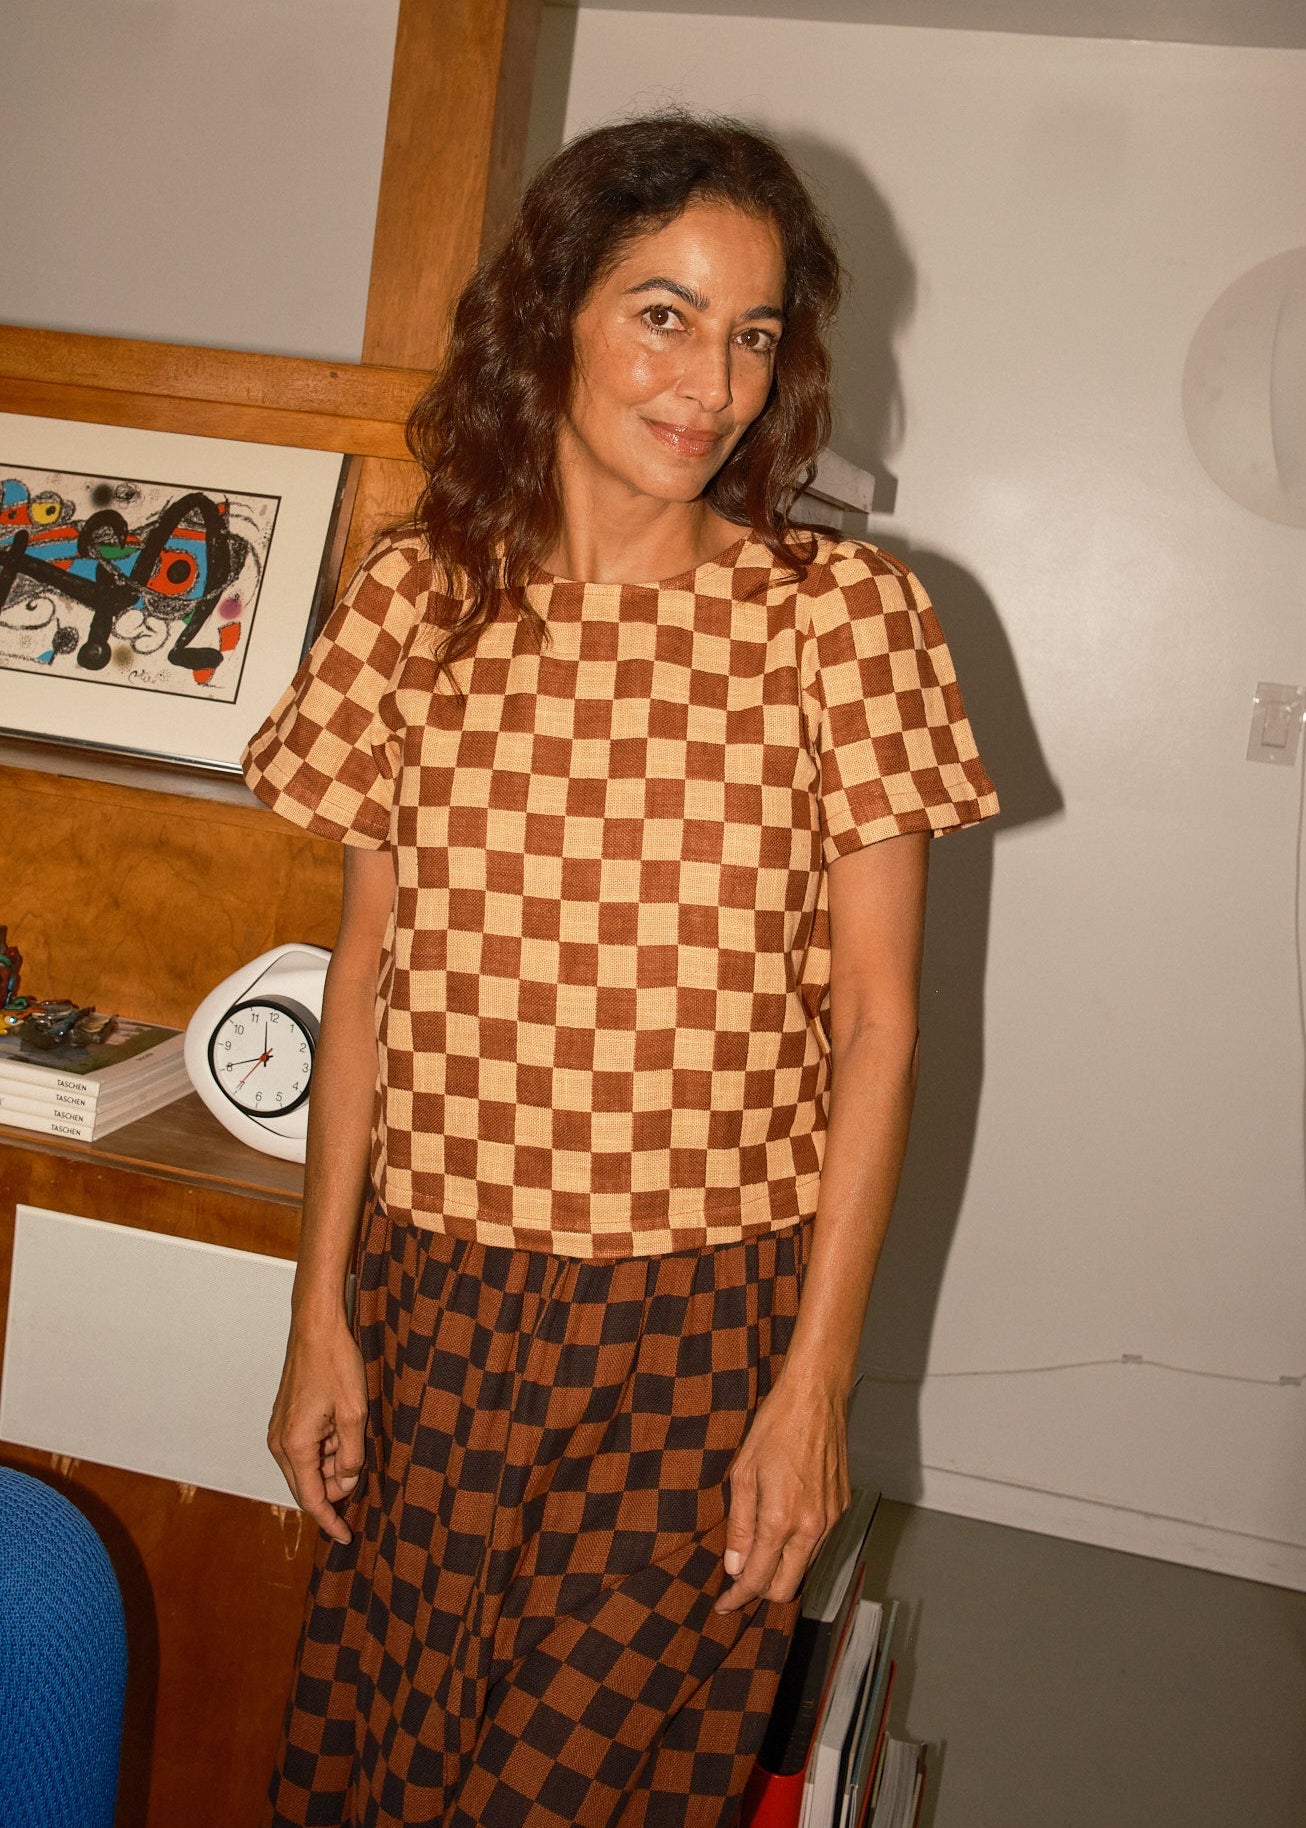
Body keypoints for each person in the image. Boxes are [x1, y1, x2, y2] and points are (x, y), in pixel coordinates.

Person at [242, 111, 998, 1828]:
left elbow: (878, 1025)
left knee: (579, 1784)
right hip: (434, 1295)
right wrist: (317, 1316)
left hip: (699, 1320)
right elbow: (360, 984)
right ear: (551, 318)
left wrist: (813, 1387)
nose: (711, 385)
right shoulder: (414, 605)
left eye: (751, 335)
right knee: (393, 1763)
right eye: (664, 315)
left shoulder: (842, 619)